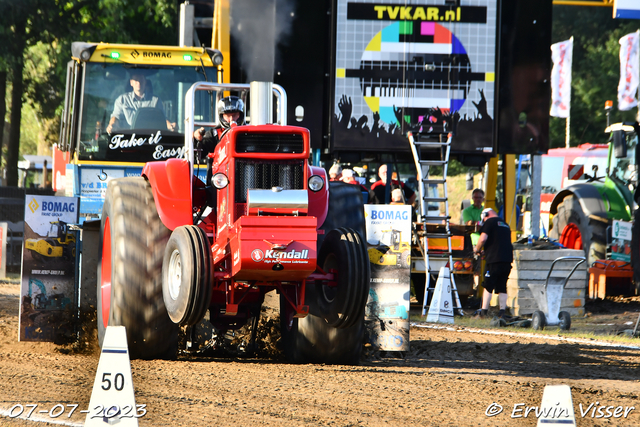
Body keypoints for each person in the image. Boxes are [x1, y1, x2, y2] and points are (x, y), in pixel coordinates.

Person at [472, 208, 514, 319]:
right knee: (502, 286)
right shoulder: (505, 224)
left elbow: (482, 239)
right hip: (507, 260)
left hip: (494, 260)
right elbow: (499, 242)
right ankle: (502, 313)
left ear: (486, 215)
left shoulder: (489, 222)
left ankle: (483, 313)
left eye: (484, 218)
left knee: (488, 285)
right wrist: (486, 250)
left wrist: (476, 249)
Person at [106, 71, 176, 133]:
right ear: (131, 82)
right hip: (126, 141)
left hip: (150, 140)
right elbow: (116, 118)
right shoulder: (122, 100)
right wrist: (112, 125)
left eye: (141, 79)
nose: (139, 82)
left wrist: (170, 126)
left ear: (145, 81)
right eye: (136, 80)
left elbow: (162, 119)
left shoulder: (155, 100)